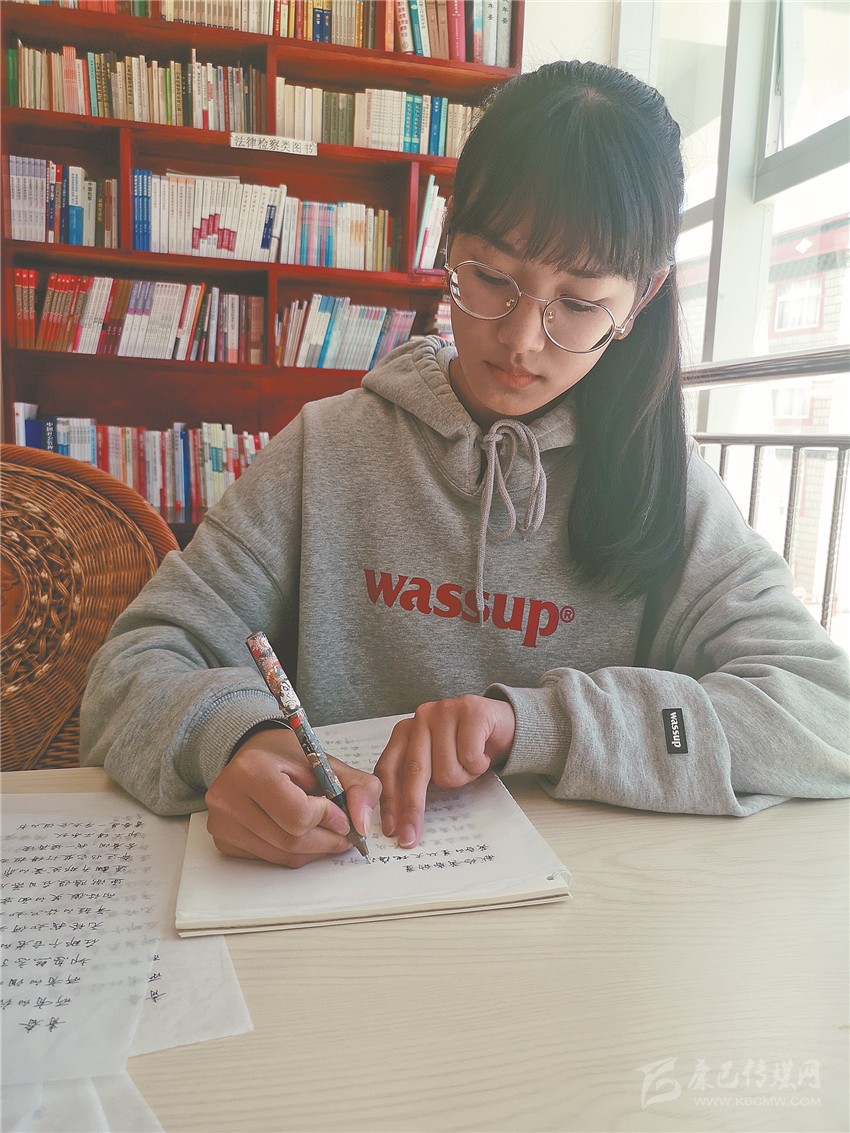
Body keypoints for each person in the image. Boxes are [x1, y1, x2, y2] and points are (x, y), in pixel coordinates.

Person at [80, 60, 849, 867]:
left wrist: (539, 724)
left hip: (592, 913)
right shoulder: (326, 449)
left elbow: (823, 712)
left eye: (578, 303)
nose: (519, 340)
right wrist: (235, 738)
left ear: (643, 297)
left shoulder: (667, 484)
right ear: (448, 239)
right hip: (340, 893)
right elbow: (131, 667)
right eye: (490, 277)